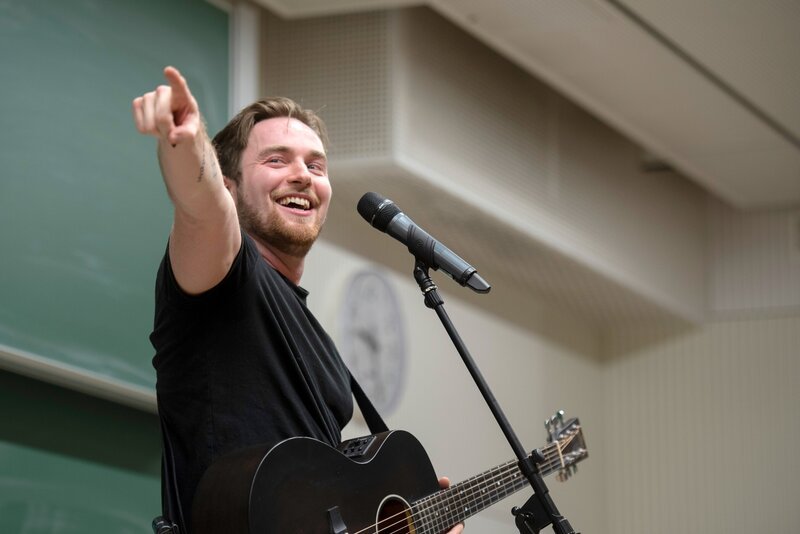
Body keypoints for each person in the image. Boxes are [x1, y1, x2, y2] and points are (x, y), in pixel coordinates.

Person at [132, 66, 464, 534]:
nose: (302, 176)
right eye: (276, 160)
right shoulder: (227, 273)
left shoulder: (320, 343)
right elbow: (202, 206)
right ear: (230, 185)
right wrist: (186, 142)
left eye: (316, 166)